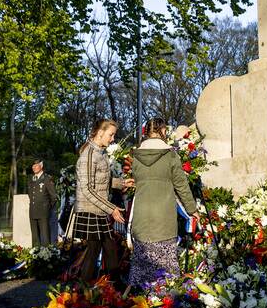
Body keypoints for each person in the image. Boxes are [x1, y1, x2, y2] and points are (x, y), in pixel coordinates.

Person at [128, 117, 198, 288]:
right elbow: (181, 185)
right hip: (164, 216)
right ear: (162, 131)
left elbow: (135, 179)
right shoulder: (170, 155)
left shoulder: (135, 156)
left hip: (141, 215)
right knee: (165, 270)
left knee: (141, 267)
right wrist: (191, 209)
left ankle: (140, 303)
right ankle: (164, 303)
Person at [73, 119, 134, 283]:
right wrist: (111, 208)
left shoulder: (99, 153)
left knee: (108, 249)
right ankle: (84, 293)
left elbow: (101, 182)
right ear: (100, 133)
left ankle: (111, 288)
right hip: (90, 210)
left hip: (98, 209)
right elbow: (87, 189)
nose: (113, 138)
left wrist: (121, 183)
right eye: (111, 134)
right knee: (95, 251)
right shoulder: (89, 155)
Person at [27, 159, 57, 247]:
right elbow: (31, 195)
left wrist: (47, 208)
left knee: (44, 236)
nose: (34, 167)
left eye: (36, 166)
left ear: (41, 166)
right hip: (32, 211)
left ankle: (45, 255)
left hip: (44, 212)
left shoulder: (47, 178)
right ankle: (36, 254)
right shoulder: (31, 179)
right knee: (35, 236)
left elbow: (53, 197)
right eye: (33, 166)